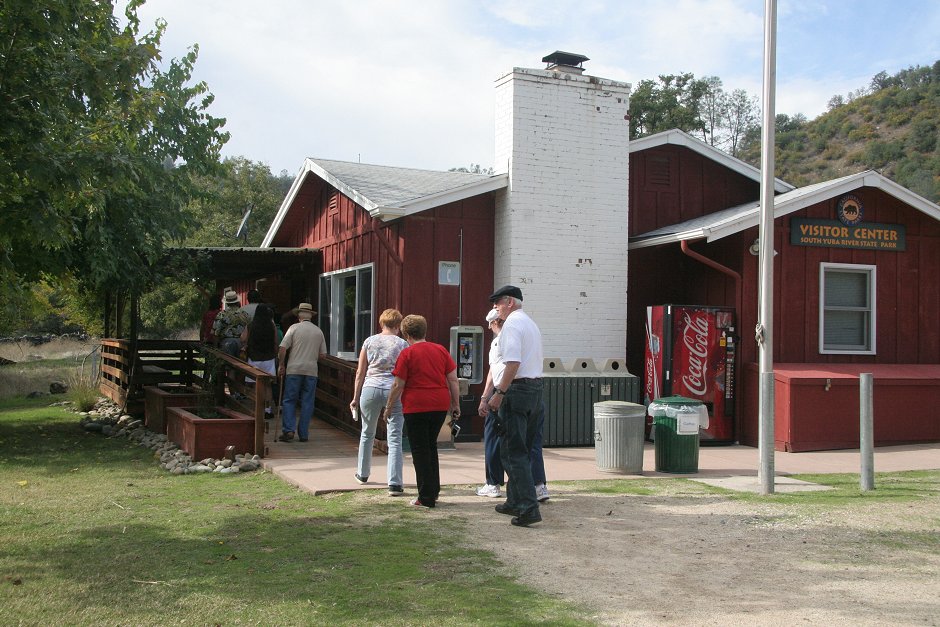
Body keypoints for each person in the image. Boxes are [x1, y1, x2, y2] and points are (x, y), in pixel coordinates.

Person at [384, 314, 460, 508]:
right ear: (424, 331)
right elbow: (453, 379)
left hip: (416, 405)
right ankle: (433, 491)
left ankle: (425, 497)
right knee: (431, 446)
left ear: (407, 334)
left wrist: (389, 406)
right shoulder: (441, 350)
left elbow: (398, 384)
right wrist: (456, 404)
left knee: (420, 450)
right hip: (439, 403)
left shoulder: (407, 354)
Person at [476, 311, 550, 503]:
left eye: (490, 325)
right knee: (531, 442)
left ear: (494, 323)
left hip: (509, 391)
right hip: (533, 390)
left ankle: (494, 483)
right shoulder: (528, 333)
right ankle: (538, 485)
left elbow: (496, 372)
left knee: (498, 440)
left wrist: (488, 396)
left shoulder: (499, 341)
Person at [486, 285, 544, 527]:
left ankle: (528, 508)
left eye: (498, 302)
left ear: (510, 302)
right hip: (534, 390)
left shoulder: (510, 325)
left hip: (516, 390)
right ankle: (513, 500)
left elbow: (512, 363)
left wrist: (499, 392)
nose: (495, 307)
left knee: (512, 452)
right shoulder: (530, 323)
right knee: (524, 447)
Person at [349, 309, 408, 495]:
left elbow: (360, 372)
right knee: (395, 437)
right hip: (394, 389)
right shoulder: (403, 344)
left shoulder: (369, 341)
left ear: (381, 323)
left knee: (367, 432)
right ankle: (395, 483)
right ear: (398, 325)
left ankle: (362, 473)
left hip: (371, 387)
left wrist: (355, 397)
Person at [276, 302, 327, 442]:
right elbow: (323, 355)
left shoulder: (294, 328)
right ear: (310, 315)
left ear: (299, 315)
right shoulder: (318, 331)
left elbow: (282, 348)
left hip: (294, 369)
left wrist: (281, 364)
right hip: (311, 370)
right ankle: (303, 434)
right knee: (307, 402)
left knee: (289, 400)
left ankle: (289, 430)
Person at [240, 304, 279, 418]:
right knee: (268, 385)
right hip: (269, 359)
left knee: (255, 385)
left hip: (254, 359)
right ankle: (267, 409)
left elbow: (243, 338)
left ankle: (258, 409)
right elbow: (276, 341)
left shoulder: (251, 325)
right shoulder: (271, 326)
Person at [212, 290, 250, 357]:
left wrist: (215, 348)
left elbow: (216, 331)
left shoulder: (222, 314)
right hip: (241, 344)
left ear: (227, 303)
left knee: (228, 364)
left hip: (227, 343)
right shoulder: (245, 314)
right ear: (237, 301)